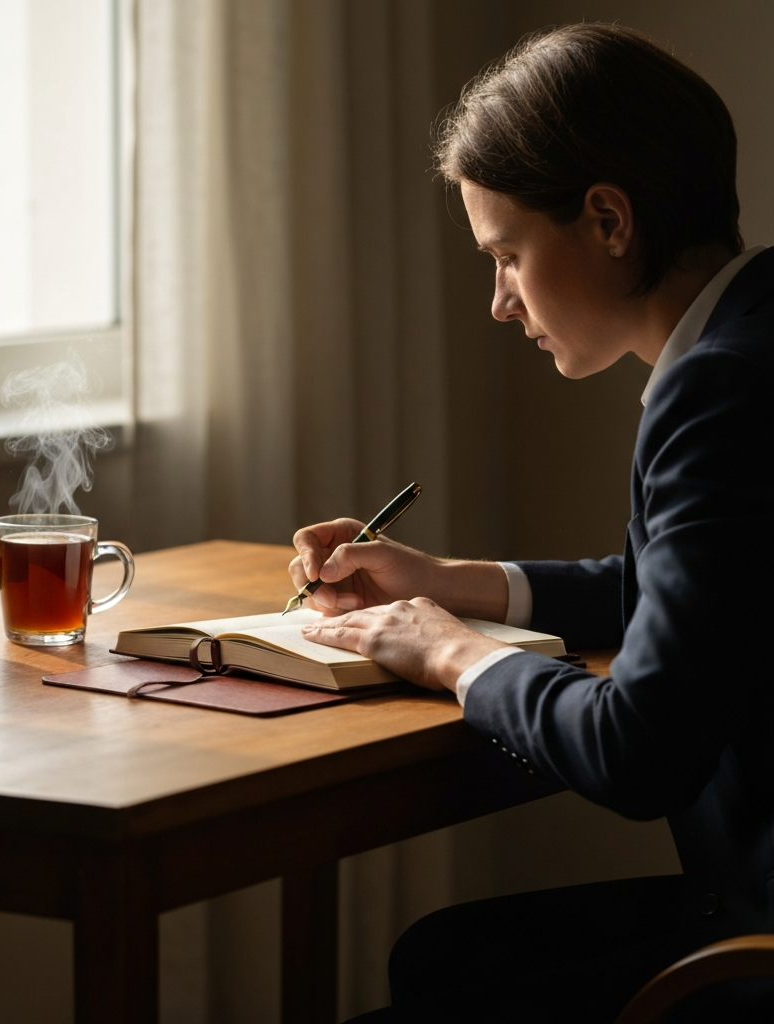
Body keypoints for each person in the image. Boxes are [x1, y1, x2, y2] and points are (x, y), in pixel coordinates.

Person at [289, 24, 773, 1024]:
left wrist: (453, 657)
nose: (500, 303)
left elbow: (638, 752)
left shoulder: (718, 389)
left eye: (506, 254)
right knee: (443, 954)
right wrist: (452, 581)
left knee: (437, 982)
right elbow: (700, 585)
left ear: (606, 219)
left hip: (752, 944)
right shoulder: (754, 328)